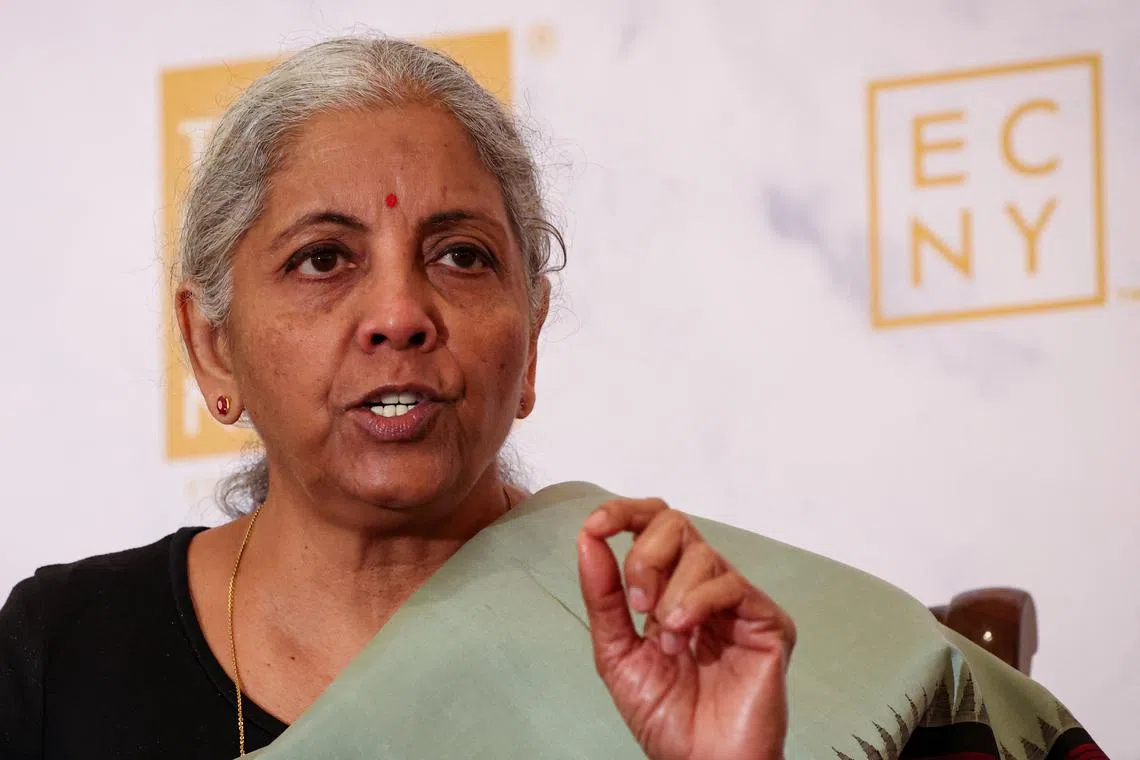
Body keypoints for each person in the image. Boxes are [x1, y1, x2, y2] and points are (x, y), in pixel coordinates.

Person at [0, 35, 1106, 760]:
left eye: (463, 256)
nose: (400, 313)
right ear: (212, 350)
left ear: (528, 343)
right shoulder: (61, 652)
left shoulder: (711, 643)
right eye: (324, 259)